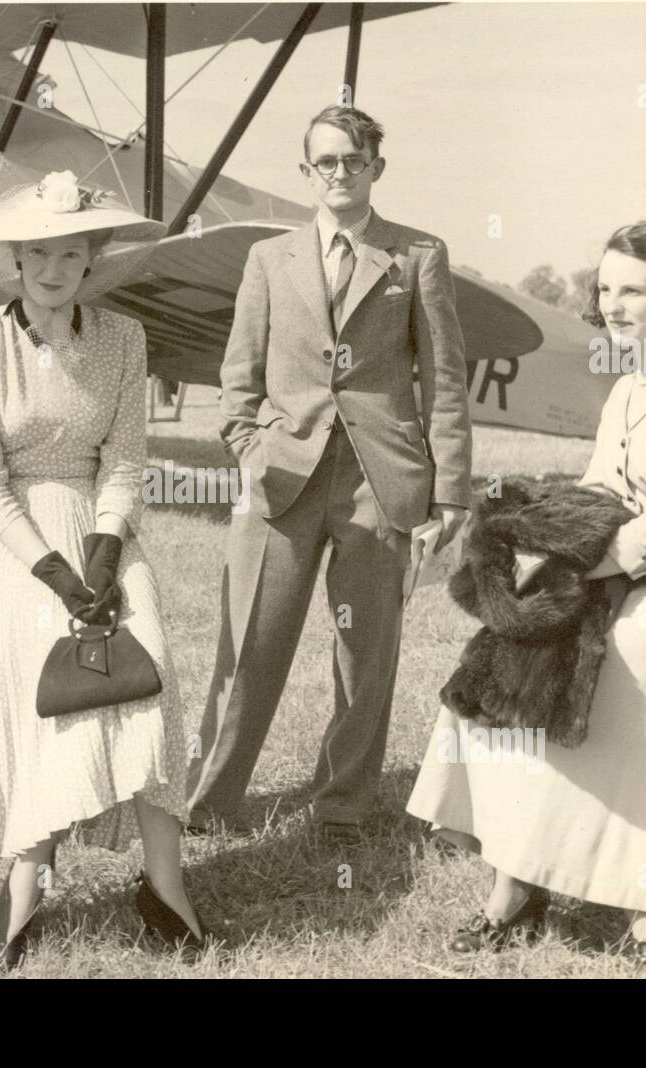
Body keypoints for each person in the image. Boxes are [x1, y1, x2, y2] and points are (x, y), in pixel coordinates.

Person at [407, 219, 646, 968]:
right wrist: (530, 538)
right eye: (605, 290)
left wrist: (558, 572)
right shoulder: (631, 386)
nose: (615, 305)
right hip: (618, 573)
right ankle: (518, 883)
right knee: (508, 681)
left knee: (645, 730)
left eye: (634, 289)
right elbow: (600, 492)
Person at [0, 173, 205, 969]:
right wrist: (60, 578)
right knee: (55, 704)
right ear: (12, 261)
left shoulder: (123, 338)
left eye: (71, 252)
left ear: (93, 258)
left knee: (147, 679)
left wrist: (104, 557)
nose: (54, 268)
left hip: (104, 534)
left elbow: (126, 461)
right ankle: (28, 882)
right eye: (36, 254)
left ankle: (167, 888)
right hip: (18, 549)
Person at [186, 105, 473, 843]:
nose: (339, 173)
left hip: (381, 481)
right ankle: (209, 803)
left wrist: (449, 493)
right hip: (283, 476)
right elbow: (238, 378)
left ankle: (343, 805)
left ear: (376, 167)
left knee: (365, 652)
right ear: (305, 172)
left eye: (353, 160)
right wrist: (252, 451)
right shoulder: (269, 258)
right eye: (325, 162)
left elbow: (444, 380)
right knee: (251, 640)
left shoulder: (418, 256)